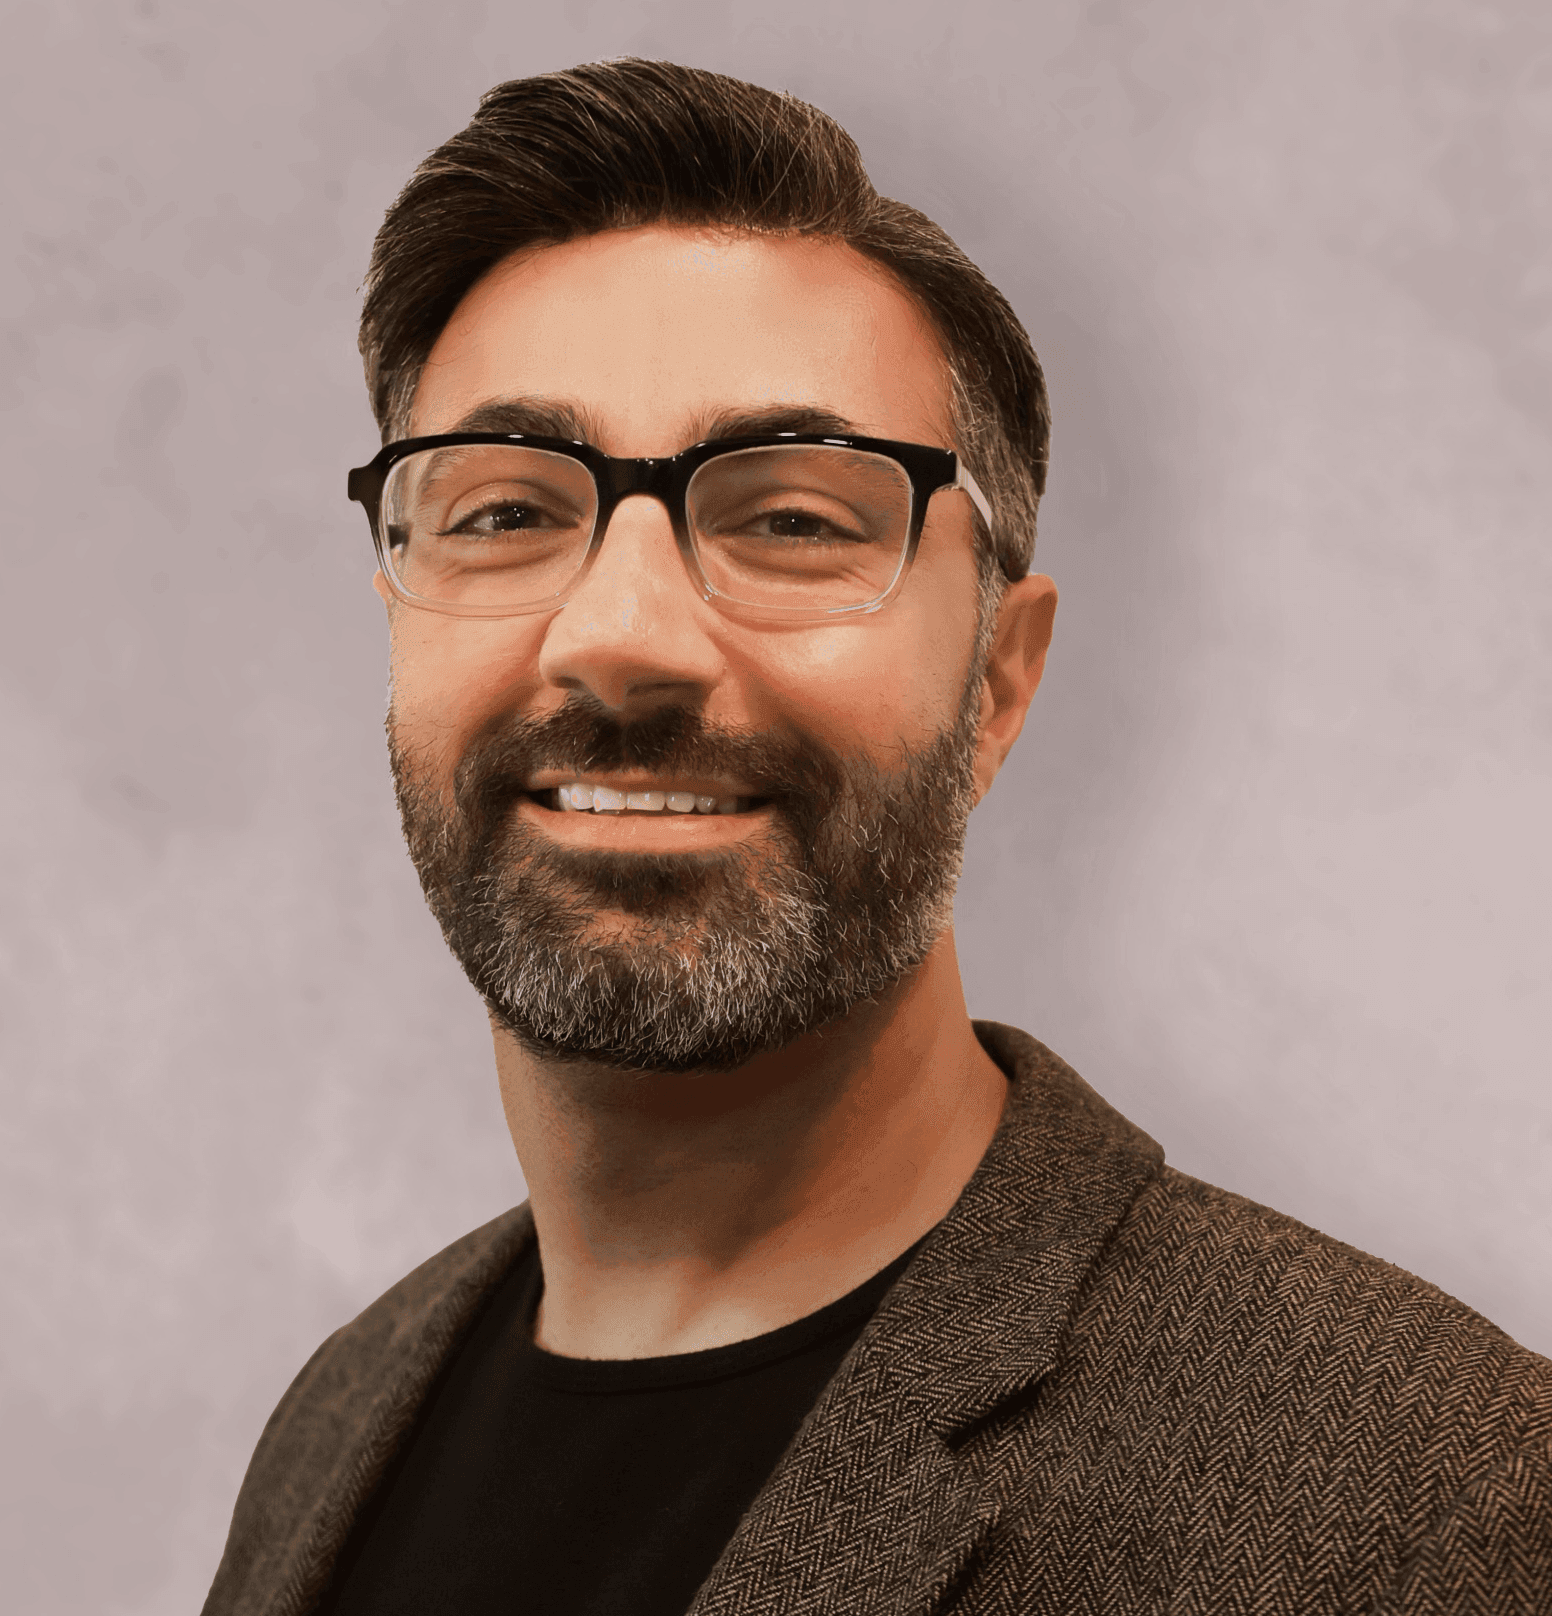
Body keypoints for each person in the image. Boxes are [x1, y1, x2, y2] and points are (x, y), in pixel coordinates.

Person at [202, 59, 1552, 1616]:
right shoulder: (337, 1422)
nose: (624, 635)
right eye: (506, 511)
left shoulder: (1427, 1504)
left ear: (996, 679)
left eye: (789, 518)